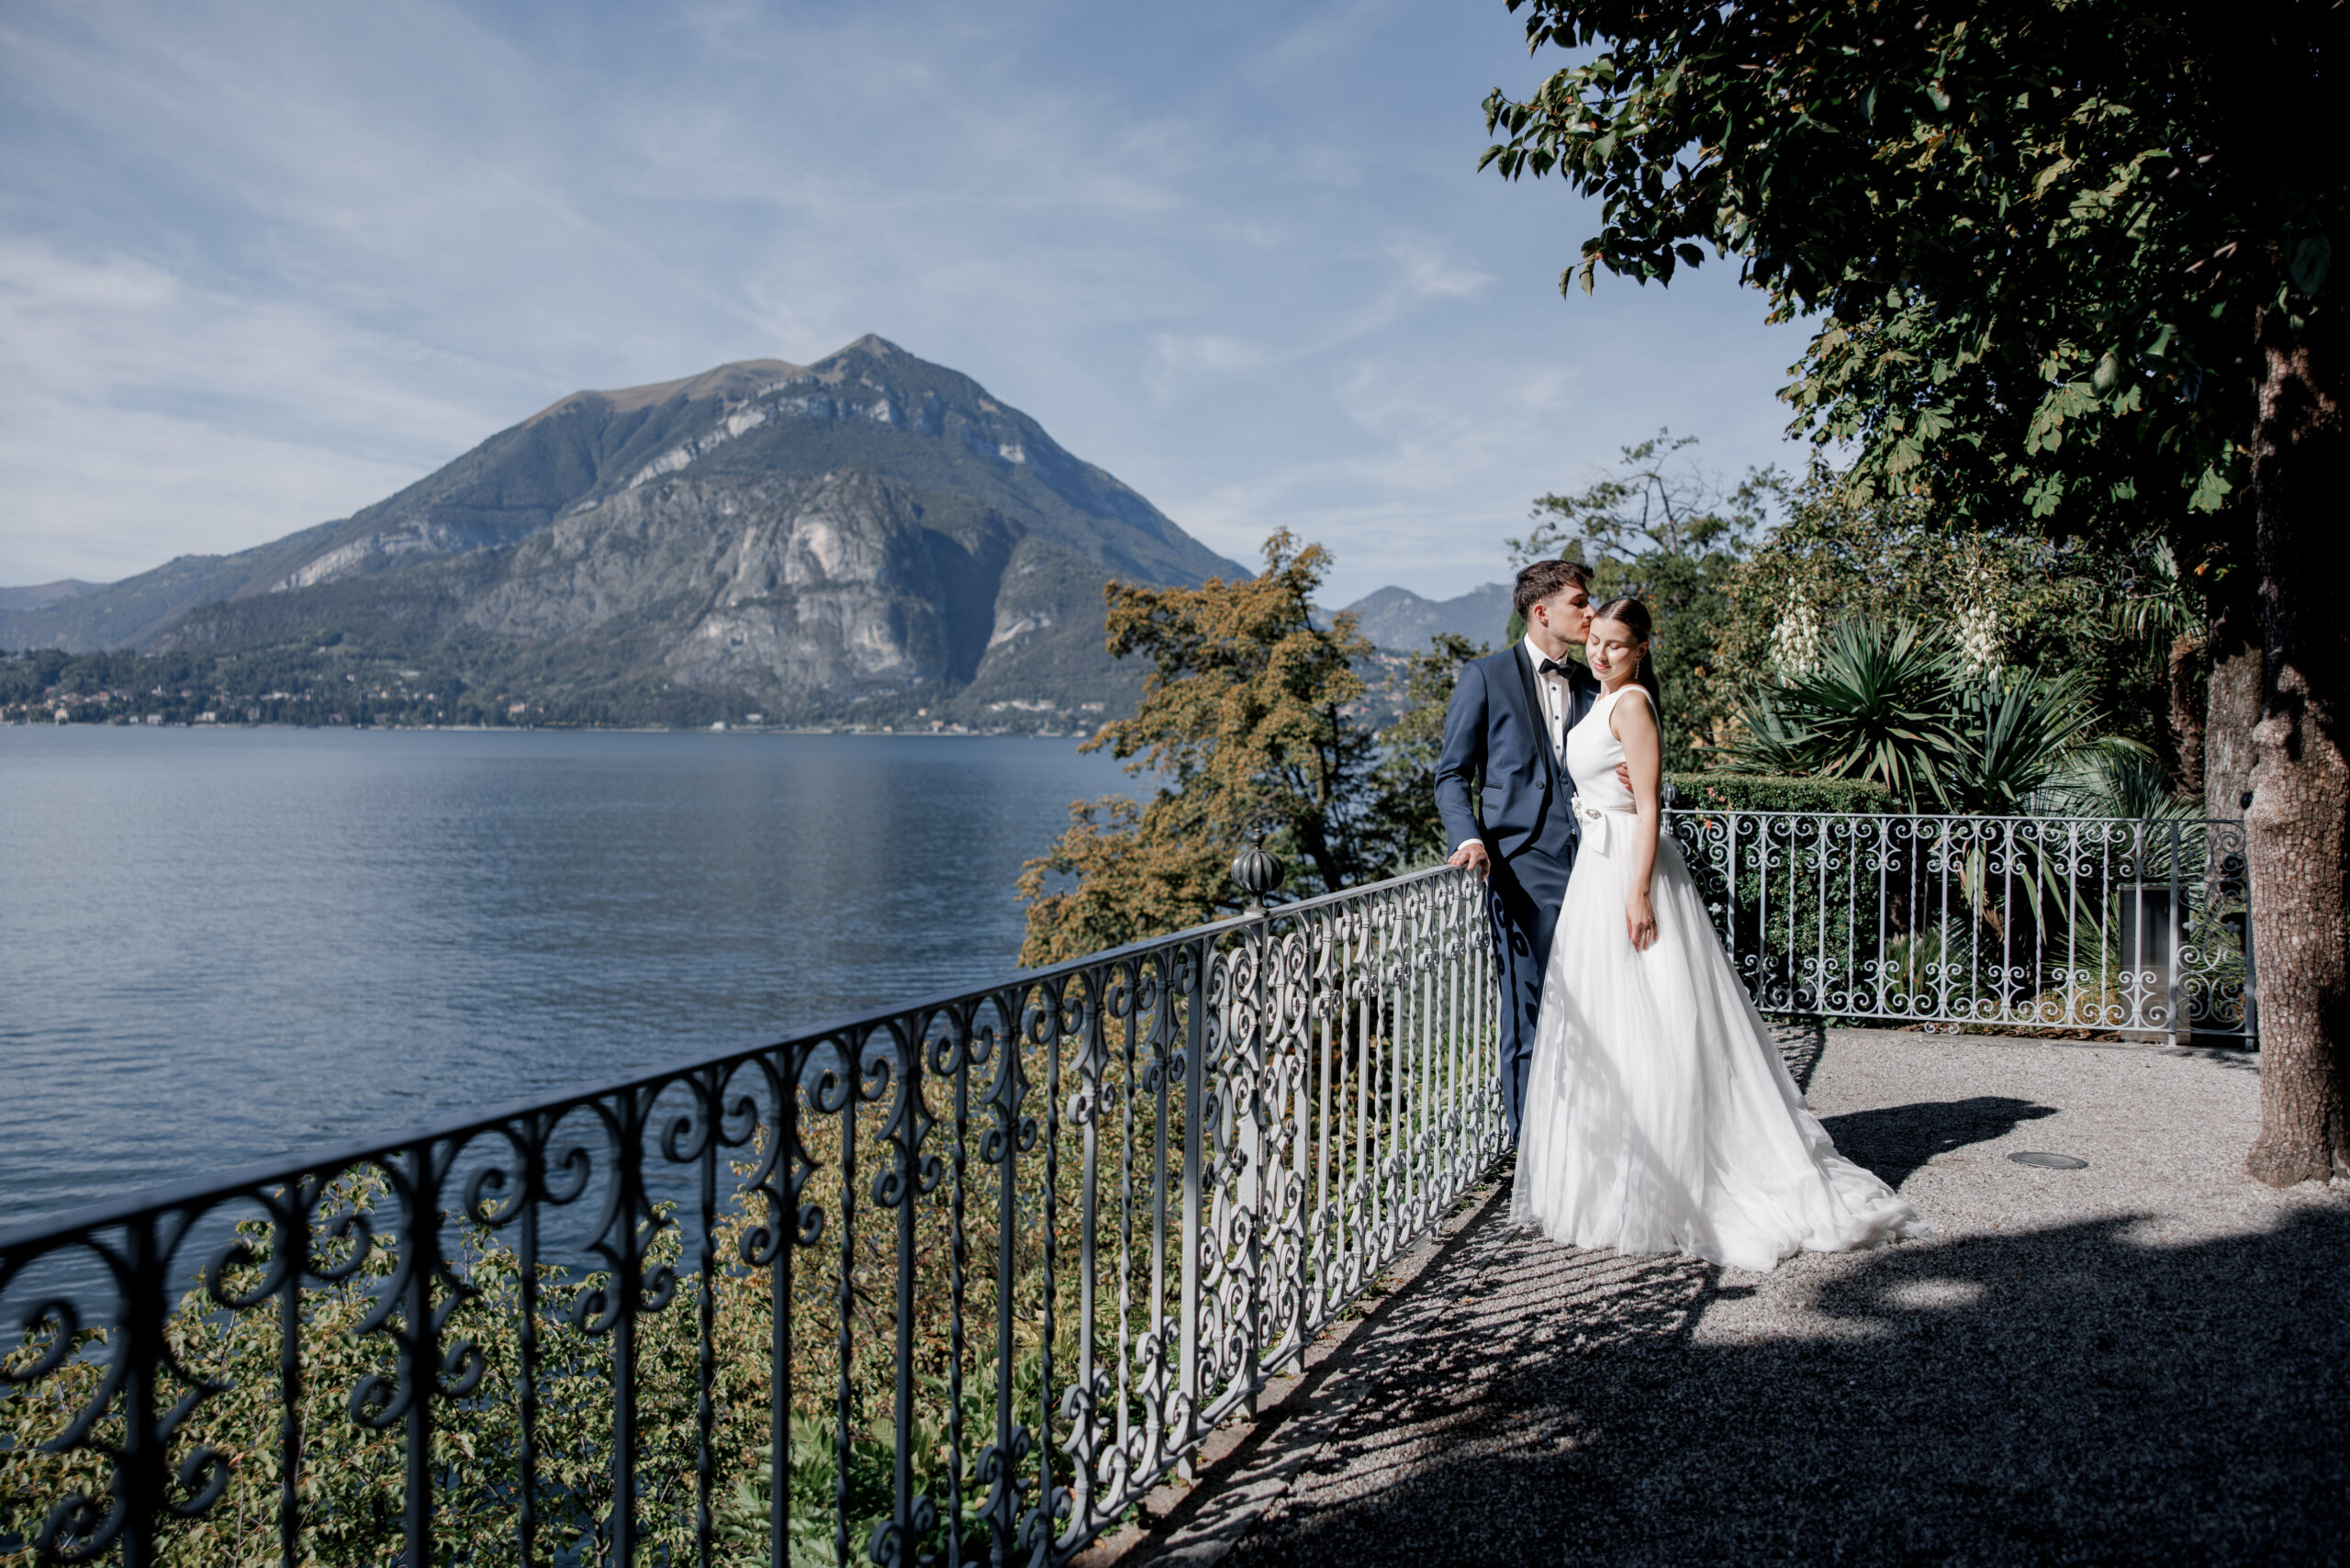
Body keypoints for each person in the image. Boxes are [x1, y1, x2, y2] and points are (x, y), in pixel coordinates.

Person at [1511, 597, 1922, 1271]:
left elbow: (1649, 806)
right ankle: (1611, 1183)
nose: (1601, 653)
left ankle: (1671, 1182)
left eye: (1617, 645)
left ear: (1641, 649)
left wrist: (1637, 891)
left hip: (1626, 868)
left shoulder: (1631, 702)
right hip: (1597, 863)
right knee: (1614, 1026)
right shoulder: (1604, 698)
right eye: (1597, 642)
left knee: (1654, 1023)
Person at [1435, 559, 1606, 1144]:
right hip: (1521, 867)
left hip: (1598, 863)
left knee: (1600, 1007)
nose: (1590, 613)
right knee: (1529, 1008)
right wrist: (1470, 838)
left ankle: (1588, 1142)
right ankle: (1529, 1152)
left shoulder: (1592, 683)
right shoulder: (1484, 677)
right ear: (1542, 612)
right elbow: (1452, 775)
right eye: (1580, 602)